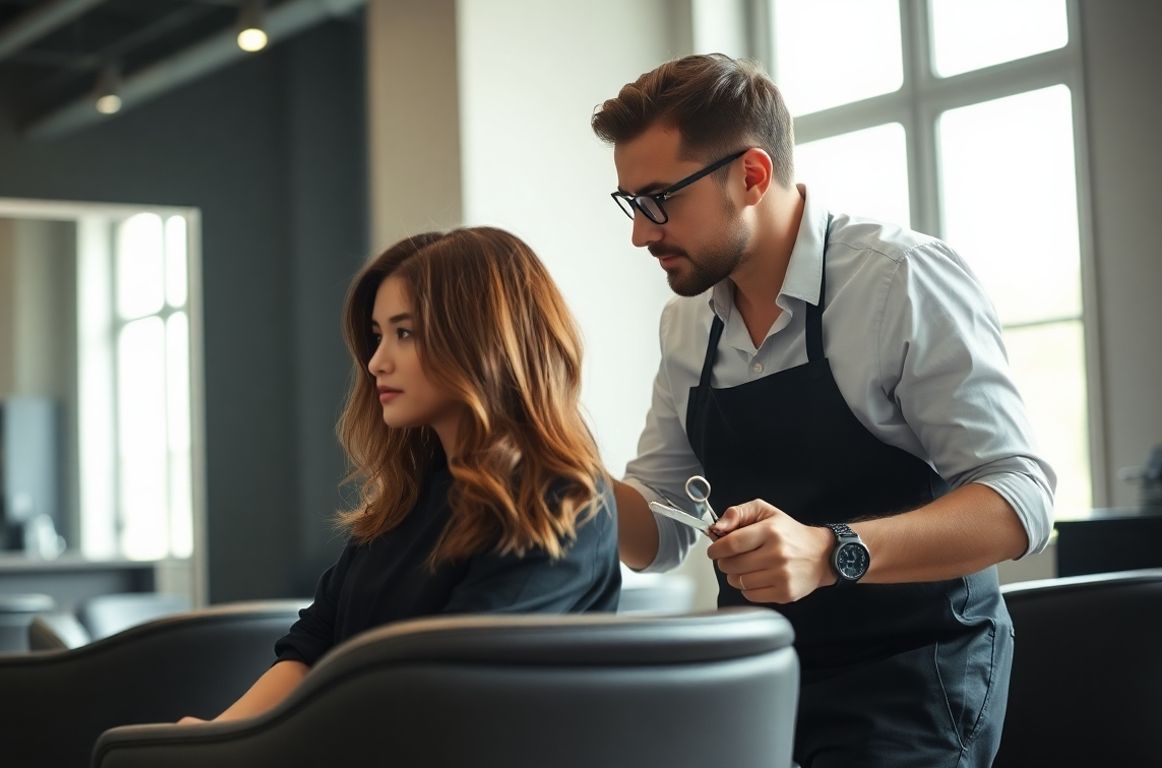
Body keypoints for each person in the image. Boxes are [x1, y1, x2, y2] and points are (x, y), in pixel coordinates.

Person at [592, 54, 1055, 767]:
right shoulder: (688, 325)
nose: (641, 234)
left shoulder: (898, 280)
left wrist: (830, 550)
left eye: (659, 200)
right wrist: (550, 461)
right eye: (632, 204)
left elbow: (1018, 501)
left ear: (750, 176)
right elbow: (656, 534)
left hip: (916, 679)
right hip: (760, 680)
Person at [181, 227, 621, 724]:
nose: (375, 362)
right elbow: (309, 649)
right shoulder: (408, 500)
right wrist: (215, 737)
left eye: (404, 333)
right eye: (376, 336)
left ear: (480, 339)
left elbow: (442, 690)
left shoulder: (557, 501)